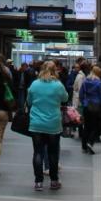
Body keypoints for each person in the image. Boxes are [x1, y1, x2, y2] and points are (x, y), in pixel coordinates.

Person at [26, 59, 69, 191]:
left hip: (36, 124)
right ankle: (54, 181)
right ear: (54, 70)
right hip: (53, 124)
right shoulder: (58, 85)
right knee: (53, 153)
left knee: (38, 152)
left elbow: (29, 101)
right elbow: (65, 98)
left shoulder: (34, 84)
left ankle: (38, 182)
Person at [79, 64, 101, 154]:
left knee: (86, 126)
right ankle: (90, 142)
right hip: (96, 106)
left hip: (87, 106)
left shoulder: (85, 81)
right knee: (96, 126)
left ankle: (84, 146)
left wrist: (84, 103)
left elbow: (81, 95)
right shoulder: (99, 83)